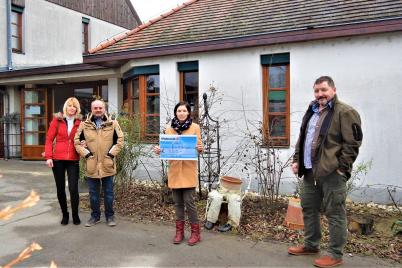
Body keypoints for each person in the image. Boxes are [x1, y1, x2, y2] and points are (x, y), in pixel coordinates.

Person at [288, 76, 363, 268]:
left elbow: (352, 143)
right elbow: (303, 137)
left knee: (335, 212)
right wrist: (297, 160)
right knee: (309, 208)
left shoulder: (345, 112)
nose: (320, 94)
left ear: (333, 90)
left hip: (331, 173)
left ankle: (335, 254)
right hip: (310, 172)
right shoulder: (312, 110)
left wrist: (341, 169)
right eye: (316, 91)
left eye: (324, 90)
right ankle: (311, 245)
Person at [154, 101, 203, 246]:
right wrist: (159, 151)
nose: (181, 113)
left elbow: (199, 147)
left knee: (190, 202)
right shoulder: (169, 130)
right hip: (175, 170)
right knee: (177, 203)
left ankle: (195, 233)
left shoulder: (195, 128)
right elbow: (166, 149)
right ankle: (179, 232)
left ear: (188, 113)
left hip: (188, 170)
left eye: (184, 110)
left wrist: (200, 148)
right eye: (179, 111)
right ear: (176, 113)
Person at [74, 99, 124, 227]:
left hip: (107, 164)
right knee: (94, 194)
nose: (98, 110)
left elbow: (120, 140)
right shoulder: (84, 125)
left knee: (108, 194)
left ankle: (110, 216)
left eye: (100, 108)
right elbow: (77, 142)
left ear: (104, 109)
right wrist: (87, 154)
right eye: (95, 108)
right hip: (92, 165)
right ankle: (94, 216)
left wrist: (111, 155)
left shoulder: (112, 124)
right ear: (92, 109)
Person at [44, 97, 82, 225]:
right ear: (65, 107)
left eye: (74, 106)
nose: (72, 108)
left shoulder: (80, 122)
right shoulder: (57, 120)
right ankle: (65, 214)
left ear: (77, 109)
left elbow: (84, 138)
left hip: (73, 159)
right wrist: (49, 157)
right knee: (60, 189)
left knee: (73, 189)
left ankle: (75, 215)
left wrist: (84, 143)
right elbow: (49, 139)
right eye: (70, 105)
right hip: (58, 159)